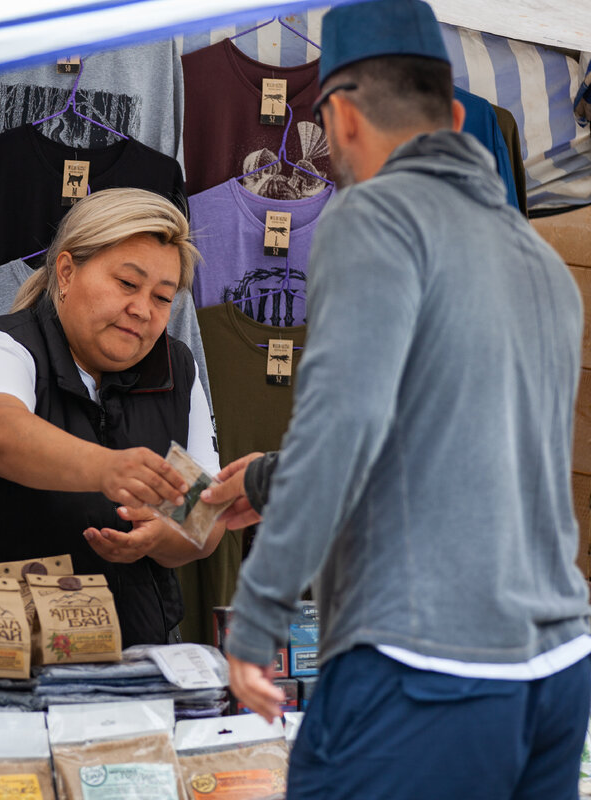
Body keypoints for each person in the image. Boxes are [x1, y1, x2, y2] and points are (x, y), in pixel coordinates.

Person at [197, 1, 591, 797]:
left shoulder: (373, 215)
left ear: (340, 119)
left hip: (430, 663)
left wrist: (261, 610)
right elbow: (450, 436)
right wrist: (269, 480)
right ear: (452, 114)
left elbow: (345, 425)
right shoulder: (537, 255)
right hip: (556, 666)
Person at [0, 187, 225, 646]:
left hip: (121, 667)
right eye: (127, 284)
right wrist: (108, 469)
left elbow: (202, 524)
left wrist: (158, 538)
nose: (142, 310)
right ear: (66, 271)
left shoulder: (175, 372)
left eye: (163, 297)